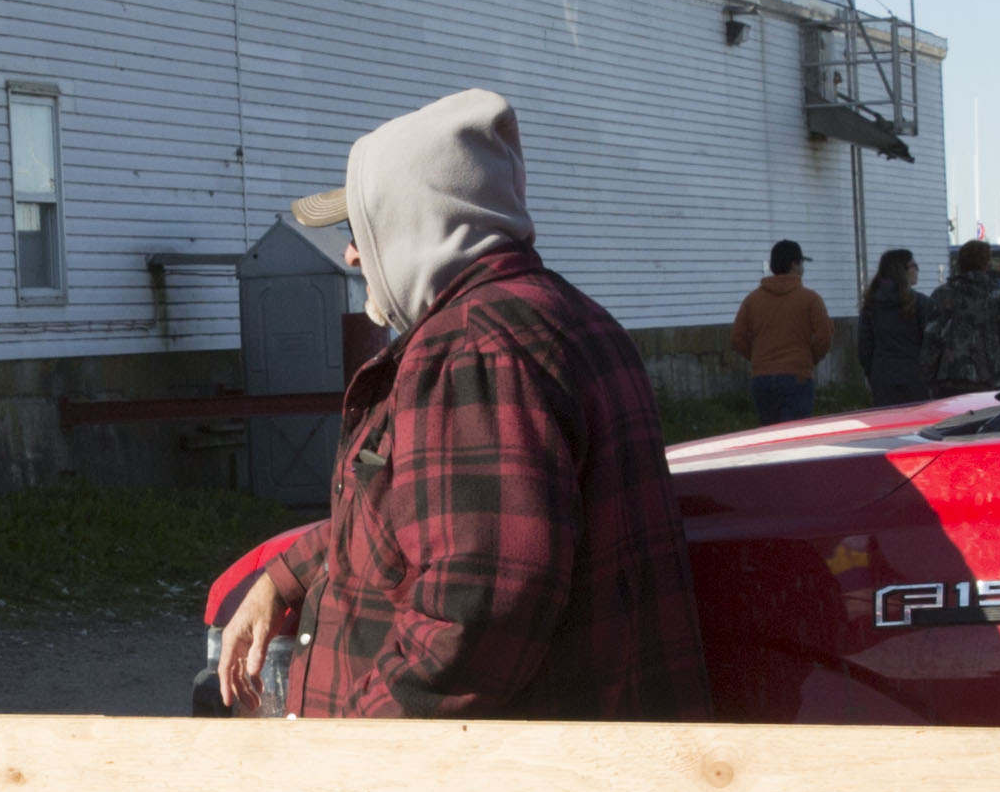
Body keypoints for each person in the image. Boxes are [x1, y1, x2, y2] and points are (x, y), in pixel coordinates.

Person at [211, 88, 708, 718]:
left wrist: (352, 745)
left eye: (361, 231)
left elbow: (477, 614)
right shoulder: (570, 316)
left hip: (499, 772)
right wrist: (278, 580)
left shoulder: (469, 349)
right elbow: (398, 514)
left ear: (416, 224)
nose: (352, 254)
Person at [734, 237, 833, 424]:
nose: (803, 268)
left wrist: (758, 358)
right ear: (794, 265)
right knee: (796, 434)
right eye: (801, 263)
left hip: (762, 378)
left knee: (771, 434)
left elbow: (737, 337)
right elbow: (824, 336)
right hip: (797, 376)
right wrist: (810, 359)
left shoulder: (752, 300)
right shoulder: (810, 299)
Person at [916, 239, 1000, 395]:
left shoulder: (942, 295)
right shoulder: (997, 296)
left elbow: (932, 337)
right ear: (986, 263)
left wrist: (926, 374)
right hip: (989, 379)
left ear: (960, 263)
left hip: (949, 379)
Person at [857, 246, 928, 402]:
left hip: (883, 375)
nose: (918, 270)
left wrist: (872, 373)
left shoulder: (871, 304)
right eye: (914, 265)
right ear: (902, 270)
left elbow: (865, 346)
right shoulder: (919, 303)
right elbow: (930, 343)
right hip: (915, 376)